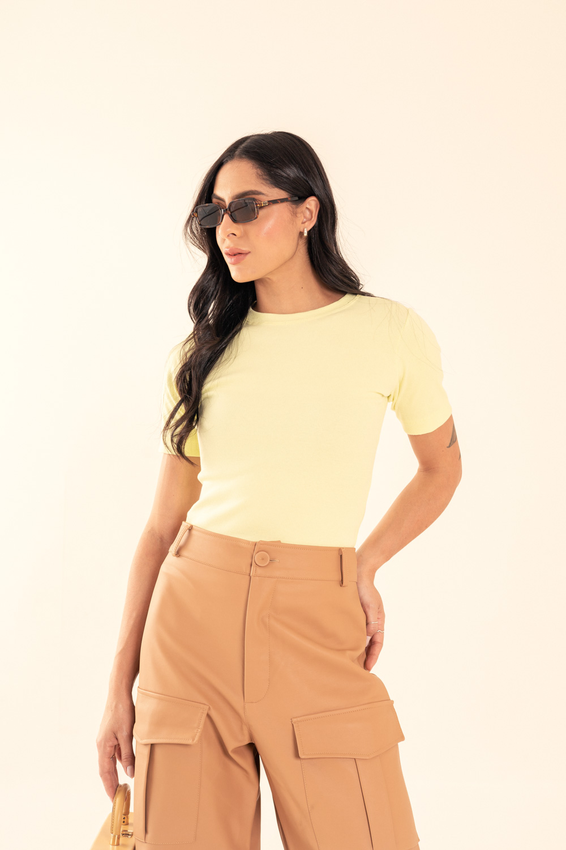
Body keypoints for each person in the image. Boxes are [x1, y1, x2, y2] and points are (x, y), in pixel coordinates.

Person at [96, 130, 462, 850]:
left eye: (248, 207)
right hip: (190, 628)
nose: (227, 229)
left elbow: (441, 469)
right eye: (216, 213)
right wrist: (118, 688)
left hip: (317, 624)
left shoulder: (388, 331)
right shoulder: (200, 354)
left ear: (306, 212)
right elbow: (161, 527)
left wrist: (364, 563)